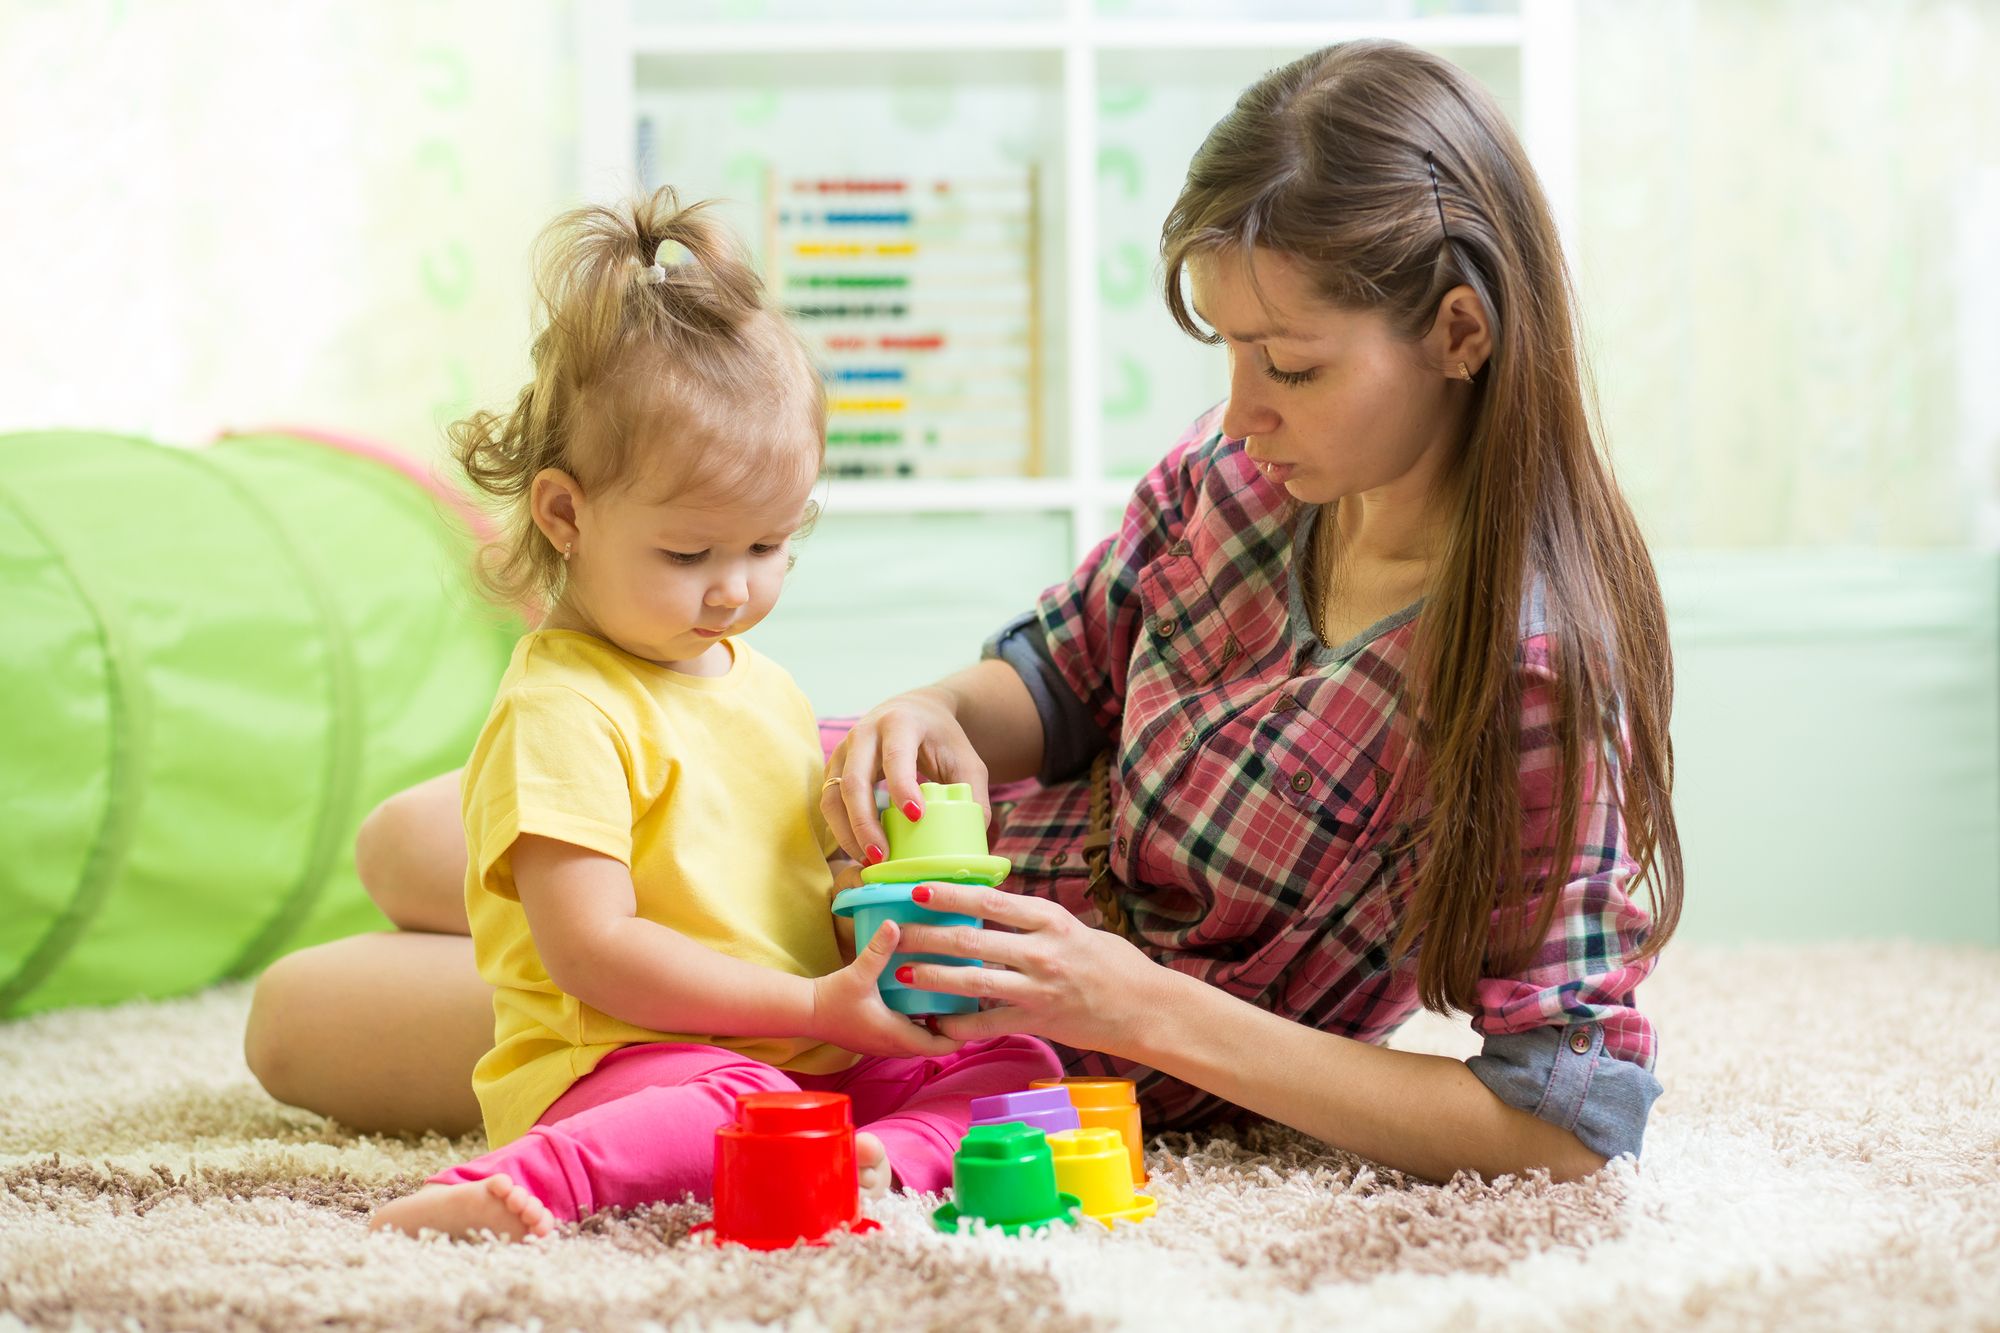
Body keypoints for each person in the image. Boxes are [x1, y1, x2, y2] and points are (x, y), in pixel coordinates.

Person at [248, 40, 1679, 1189]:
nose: (1240, 410)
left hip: (933, 1016)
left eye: (1289, 364)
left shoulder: (1527, 675)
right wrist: (930, 713)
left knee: (295, 1019)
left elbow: (1560, 1121)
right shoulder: (1243, 480)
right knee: (405, 842)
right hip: (857, 848)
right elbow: (1052, 679)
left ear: (1461, 335)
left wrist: (1135, 1008)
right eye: (1229, 349)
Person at [351, 188, 1060, 1242]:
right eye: (689, 554)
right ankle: (524, 1179)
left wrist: (878, 921)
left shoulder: (763, 686)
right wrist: (811, 1010)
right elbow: (592, 949)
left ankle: (880, 1156)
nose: (733, 588)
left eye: (769, 545)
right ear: (564, 512)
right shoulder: (563, 707)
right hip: (628, 1057)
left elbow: (784, 903)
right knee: (740, 1109)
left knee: (1024, 1070)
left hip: (795, 1050)